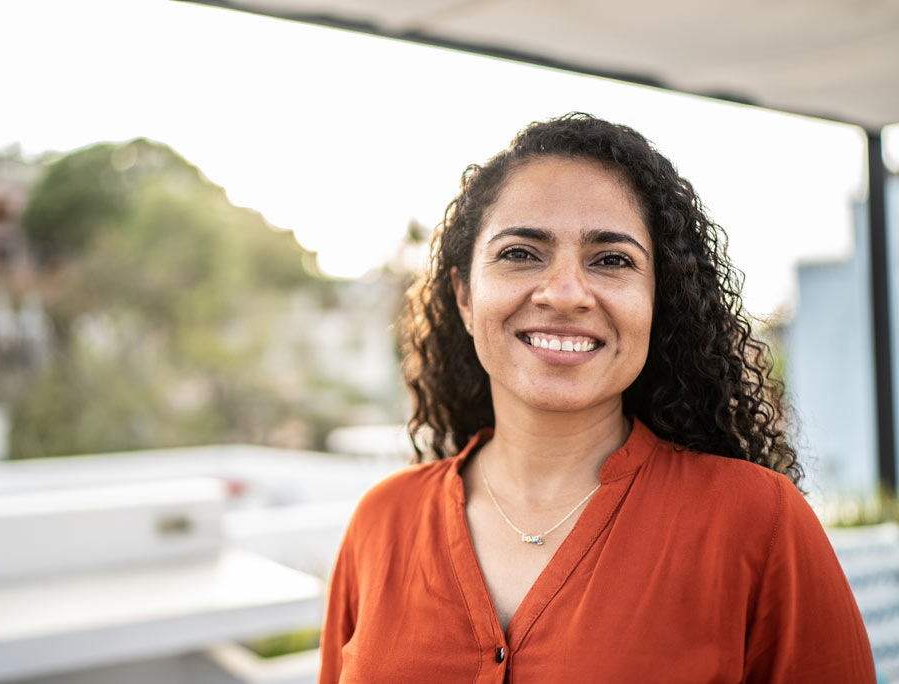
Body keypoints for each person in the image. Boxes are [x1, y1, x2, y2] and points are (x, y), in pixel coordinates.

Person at [319, 113, 876, 683]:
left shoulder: (760, 521)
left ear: (658, 300)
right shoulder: (381, 523)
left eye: (612, 260)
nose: (563, 293)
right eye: (520, 253)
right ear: (464, 295)